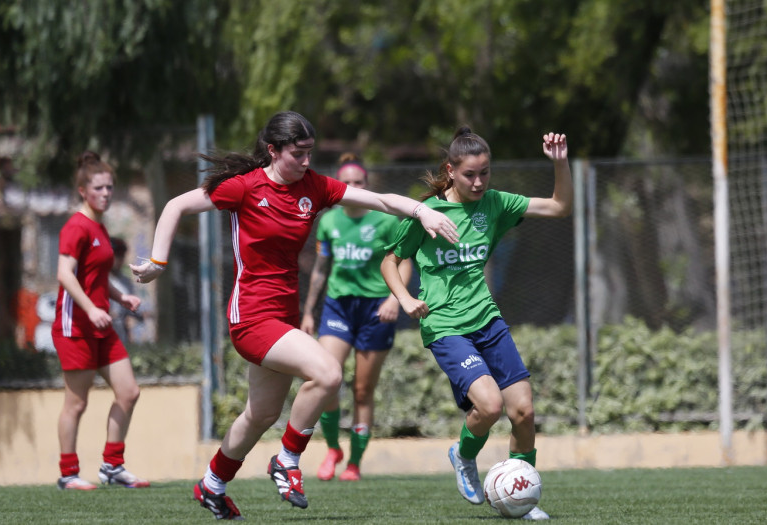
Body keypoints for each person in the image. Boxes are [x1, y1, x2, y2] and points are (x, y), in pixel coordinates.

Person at [130, 111, 459, 520]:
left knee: (261, 414)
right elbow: (176, 205)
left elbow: (380, 200)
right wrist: (158, 262)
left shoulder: (314, 187)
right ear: (273, 150)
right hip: (250, 317)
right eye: (298, 154)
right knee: (328, 373)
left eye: (310, 153)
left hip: (281, 318)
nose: (306, 162)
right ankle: (287, 460)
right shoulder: (244, 188)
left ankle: (211, 485)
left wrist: (421, 211)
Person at [380, 127, 571, 521]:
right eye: (470, 175)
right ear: (451, 170)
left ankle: (523, 492)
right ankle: (464, 455)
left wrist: (560, 163)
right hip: (446, 326)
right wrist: (406, 299)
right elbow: (390, 261)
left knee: (523, 411)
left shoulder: (496, 204)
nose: (480, 182)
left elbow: (558, 207)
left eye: (485, 173)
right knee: (490, 405)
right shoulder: (429, 212)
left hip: (487, 319)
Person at [299, 153, 413, 482]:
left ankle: (354, 463)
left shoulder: (386, 220)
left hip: (376, 308)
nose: (352, 187)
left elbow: (405, 262)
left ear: (367, 185)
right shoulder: (329, 221)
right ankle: (333, 448)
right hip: (338, 306)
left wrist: (396, 298)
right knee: (325, 377)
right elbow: (321, 268)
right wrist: (308, 312)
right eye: (345, 182)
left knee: (362, 390)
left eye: (358, 182)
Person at [51, 151, 149, 491]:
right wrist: (91, 309)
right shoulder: (75, 227)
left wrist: (120, 297)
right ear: (83, 191)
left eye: (110, 187)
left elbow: (96, 273)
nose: (106, 193)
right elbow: (65, 274)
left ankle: (112, 466)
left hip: (101, 324)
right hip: (75, 325)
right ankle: (68, 474)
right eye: (99, 188)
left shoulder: (99, 227)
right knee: (76, 402)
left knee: (129, 392)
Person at [108, 237, 144, 343]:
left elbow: (130, 310)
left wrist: (138, 314)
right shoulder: (100, 278)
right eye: (116, 255)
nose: (119, 260)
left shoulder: (125, 282)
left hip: (120, 331)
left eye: (121, 256)